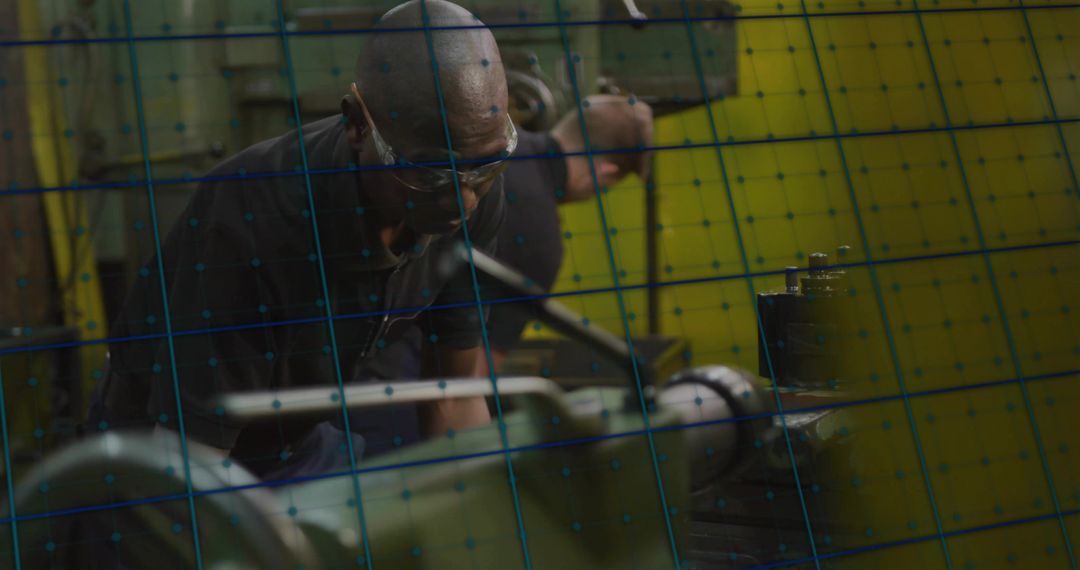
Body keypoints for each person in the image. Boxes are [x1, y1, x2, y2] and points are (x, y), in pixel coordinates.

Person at [86, 0, 513, 480]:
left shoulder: (472, 180)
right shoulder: (250, 226)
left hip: (296, 440)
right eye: (429, 171)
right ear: (357, 124)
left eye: (486, 164)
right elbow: (192, 465)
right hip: (160, 450)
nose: (463, 201)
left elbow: (453, 396)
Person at [355, 95, 654, 458]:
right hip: (402, 393)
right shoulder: (542, 240)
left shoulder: (492, 147)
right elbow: (473, 376)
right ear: (604, 173)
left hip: (349, 351)